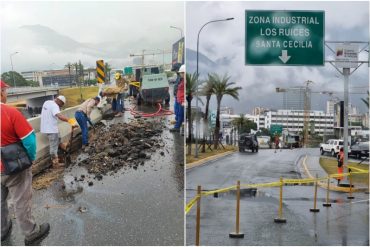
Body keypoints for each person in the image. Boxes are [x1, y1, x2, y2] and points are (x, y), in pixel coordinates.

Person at [1, 80, 50, 245]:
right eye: (6, 91)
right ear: (1, 92)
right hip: (13, 167)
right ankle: (31, 233)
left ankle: (2, 230)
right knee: (21, 201)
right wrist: (31, 159)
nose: (7, 94)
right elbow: (29, 140)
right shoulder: (9, 112)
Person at [40, 95, 69, 168]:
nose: (61, 107)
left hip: (48, 127)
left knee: (58, 139)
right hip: (51, 129)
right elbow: (59, 116)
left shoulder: (47, 102)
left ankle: (63, 150)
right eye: (61, 105)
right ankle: (55, 163)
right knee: (53, 146)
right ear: (60, 102)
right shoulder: (55, 106)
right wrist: (69, 120)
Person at [170, 64, 185, 132]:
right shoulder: (180, 78)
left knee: (180, 114)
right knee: (177, 112)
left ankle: (177, 127)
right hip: (178, 98)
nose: (179, 73)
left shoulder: (184, 80)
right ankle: (178, 123)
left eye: (181, 72)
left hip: (181, 100)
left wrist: (183, 101)